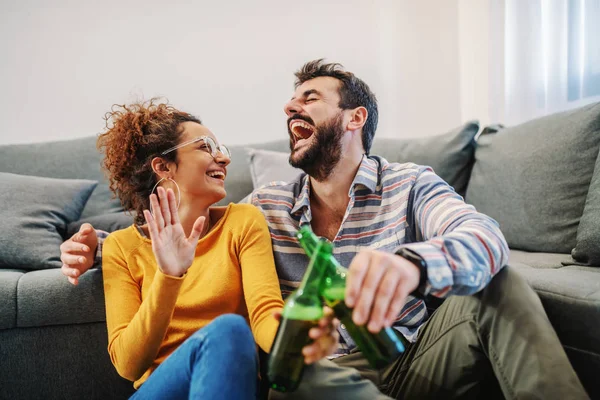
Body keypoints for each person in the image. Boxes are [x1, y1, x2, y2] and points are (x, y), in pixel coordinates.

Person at [61, 61, 589, 399]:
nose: (291, 106)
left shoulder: (411, 183)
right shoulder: (264, 206)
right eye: (291, 102)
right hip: (321, 373)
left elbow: (485, 237)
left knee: (500, 282)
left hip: (414, 353)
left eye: (310, 98)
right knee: (297, 371)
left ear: (355, 117)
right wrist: (102, 248)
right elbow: (194, 233)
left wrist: (414, 264)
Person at [85, 100, 338, 399]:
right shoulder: (120, 247)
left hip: (232, 387)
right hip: (161, 391)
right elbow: (128, 364)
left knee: (229, 331)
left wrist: (297, 336)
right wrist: (169, 275)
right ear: (164, 167)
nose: (224, 158)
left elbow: (264, 313)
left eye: (221, 149)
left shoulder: (242, 222)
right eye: (206, 147)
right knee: (227, 329)